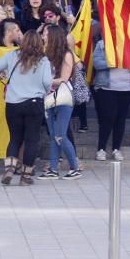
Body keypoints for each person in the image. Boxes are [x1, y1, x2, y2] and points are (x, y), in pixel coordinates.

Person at [0, 31, 52, 185]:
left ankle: (9, 169)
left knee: (15, 138)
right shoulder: (43, 60)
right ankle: (26, 176)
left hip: (13, 104)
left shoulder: (12, 56)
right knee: (31, 140)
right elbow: (47, 82)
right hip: (34, 103)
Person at [39, 25, 83, 179]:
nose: (43, 36)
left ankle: (74, 167)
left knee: (60, 135)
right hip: (48, 97)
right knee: (52, 135)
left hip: (63, 97)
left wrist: (45, 81)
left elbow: (64, 78)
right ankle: (53, 168)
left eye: (45, 33)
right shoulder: (44, 53)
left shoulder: (66, 54)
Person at [92, 38, 130, 161]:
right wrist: (114, 62)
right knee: (107, 118)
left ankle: (116, 149)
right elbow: (96, 63)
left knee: (121, 119)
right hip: (107, 88)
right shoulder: (102, 44)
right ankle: (101, 149)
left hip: (127, 87)